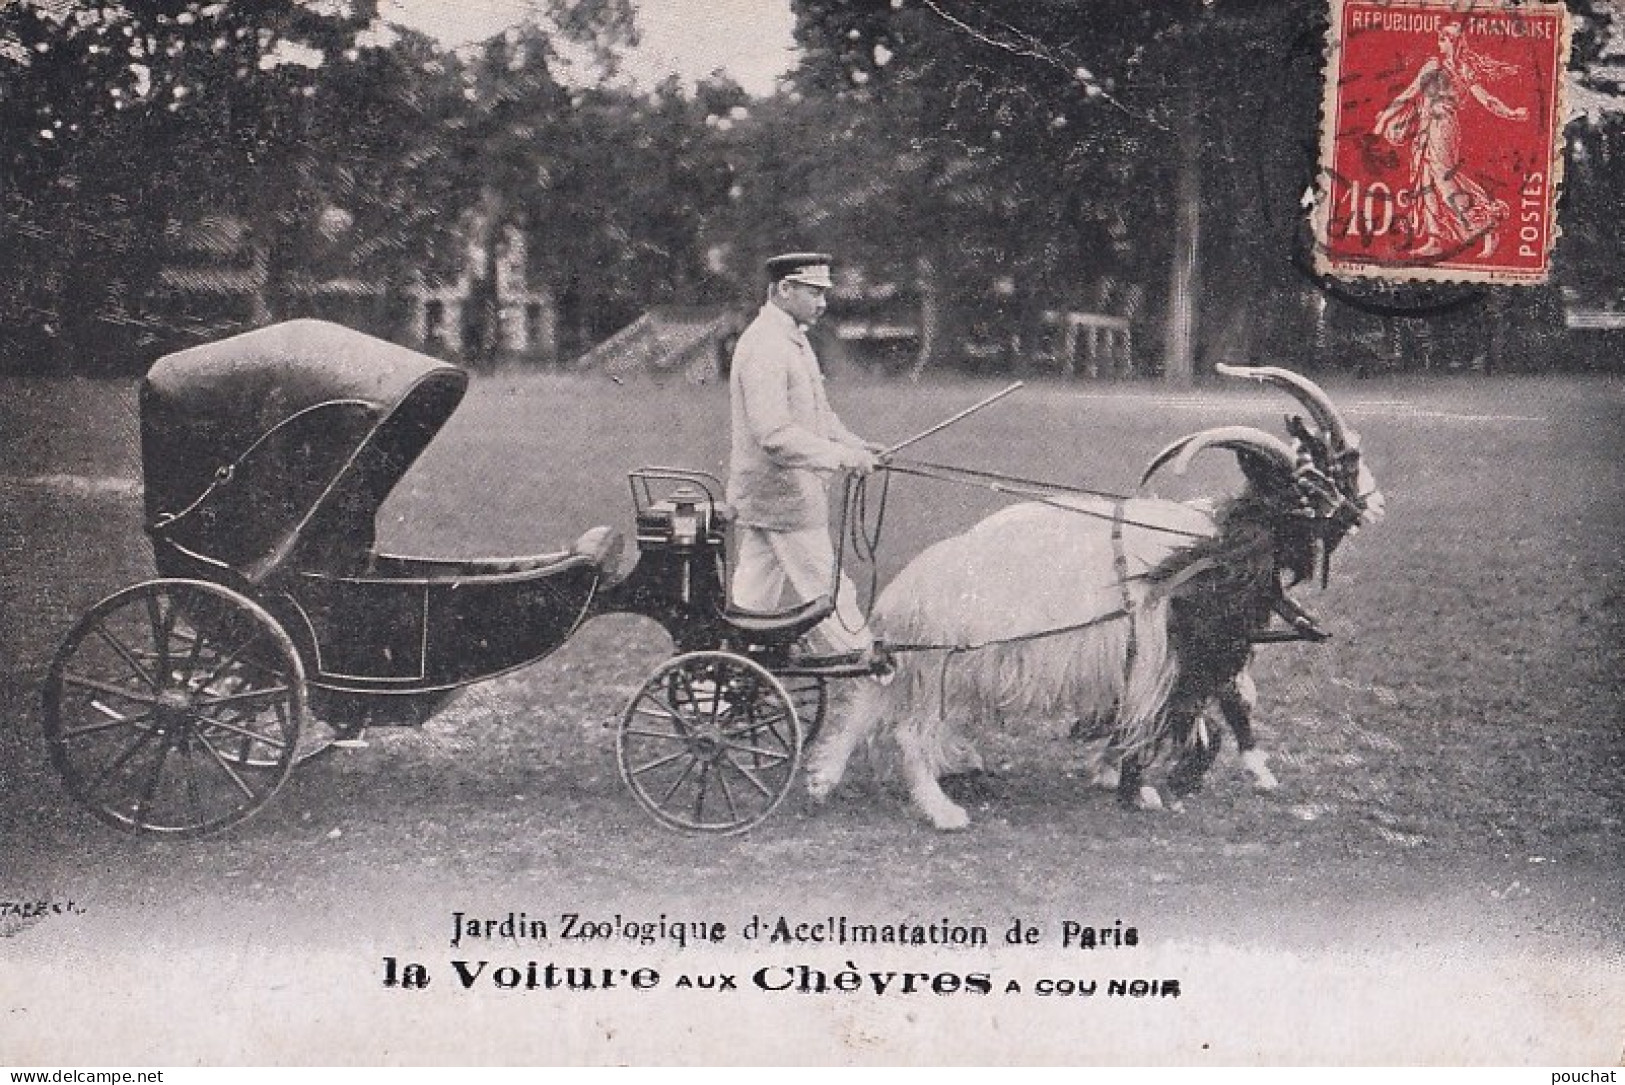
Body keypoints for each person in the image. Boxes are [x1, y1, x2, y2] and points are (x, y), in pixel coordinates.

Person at [726, 252, 882, 666]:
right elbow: (774, 435)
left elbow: (818, 415)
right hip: (782, 496)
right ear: (784, 289)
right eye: (814, 292)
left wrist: (857, 446)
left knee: (750, 603)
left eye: (824, 292)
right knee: (828, 592)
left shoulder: (793, 339)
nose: (823, 302)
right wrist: (841, 458)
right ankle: (874, 671)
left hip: (777, 497)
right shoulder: (765, 346)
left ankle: (715, 690)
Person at [1372, 23, 1528, 259]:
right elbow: (1410, 93)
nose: (1440, 43)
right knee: (1426, 182)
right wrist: (1384, 118)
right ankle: (1435, 239)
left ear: (1454, 42)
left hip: (1443, 128)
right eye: (1441, 38)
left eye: (1445, 39)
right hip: (1425, 127)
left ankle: (1485, 226)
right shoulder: (1433, 66)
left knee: (1444, 180)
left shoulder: (1464, 70)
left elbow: (1487, 99)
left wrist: (1511, 113)